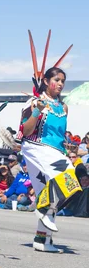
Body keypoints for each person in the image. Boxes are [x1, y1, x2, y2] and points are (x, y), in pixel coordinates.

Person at [20, 63, 81, 252]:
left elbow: (59, 134)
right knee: (68, 175)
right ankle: (42, 208)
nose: (60, 84)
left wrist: (67, 147)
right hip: (35, 147)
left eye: (63, 81)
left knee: (47, 194)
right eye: (56, 80)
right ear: (46, 81)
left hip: (54, 151)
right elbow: (26, 130)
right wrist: (37, 110)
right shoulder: (34, 102)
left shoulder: (63, 107)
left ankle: (42, 241)